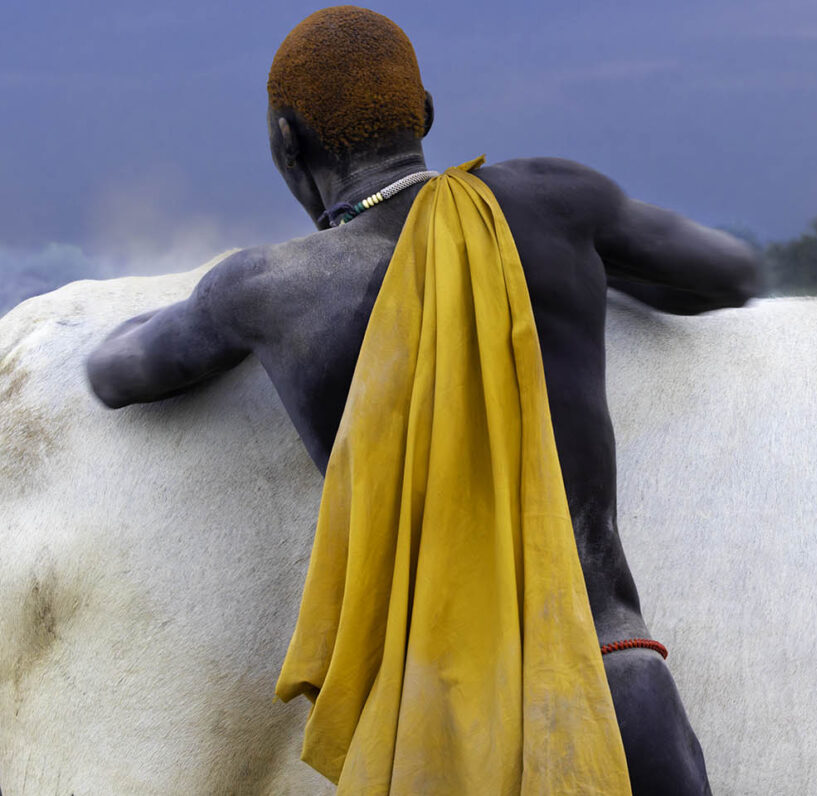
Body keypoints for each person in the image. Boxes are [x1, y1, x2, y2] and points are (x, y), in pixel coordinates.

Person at [87, 6, 759, 793]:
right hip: (618, 687)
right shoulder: (555, 203)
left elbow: (116, 371)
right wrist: (582, 266)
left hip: (436, 734)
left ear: (285, 141)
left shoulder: (265, 292)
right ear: (428, 114)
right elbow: (726, 275)